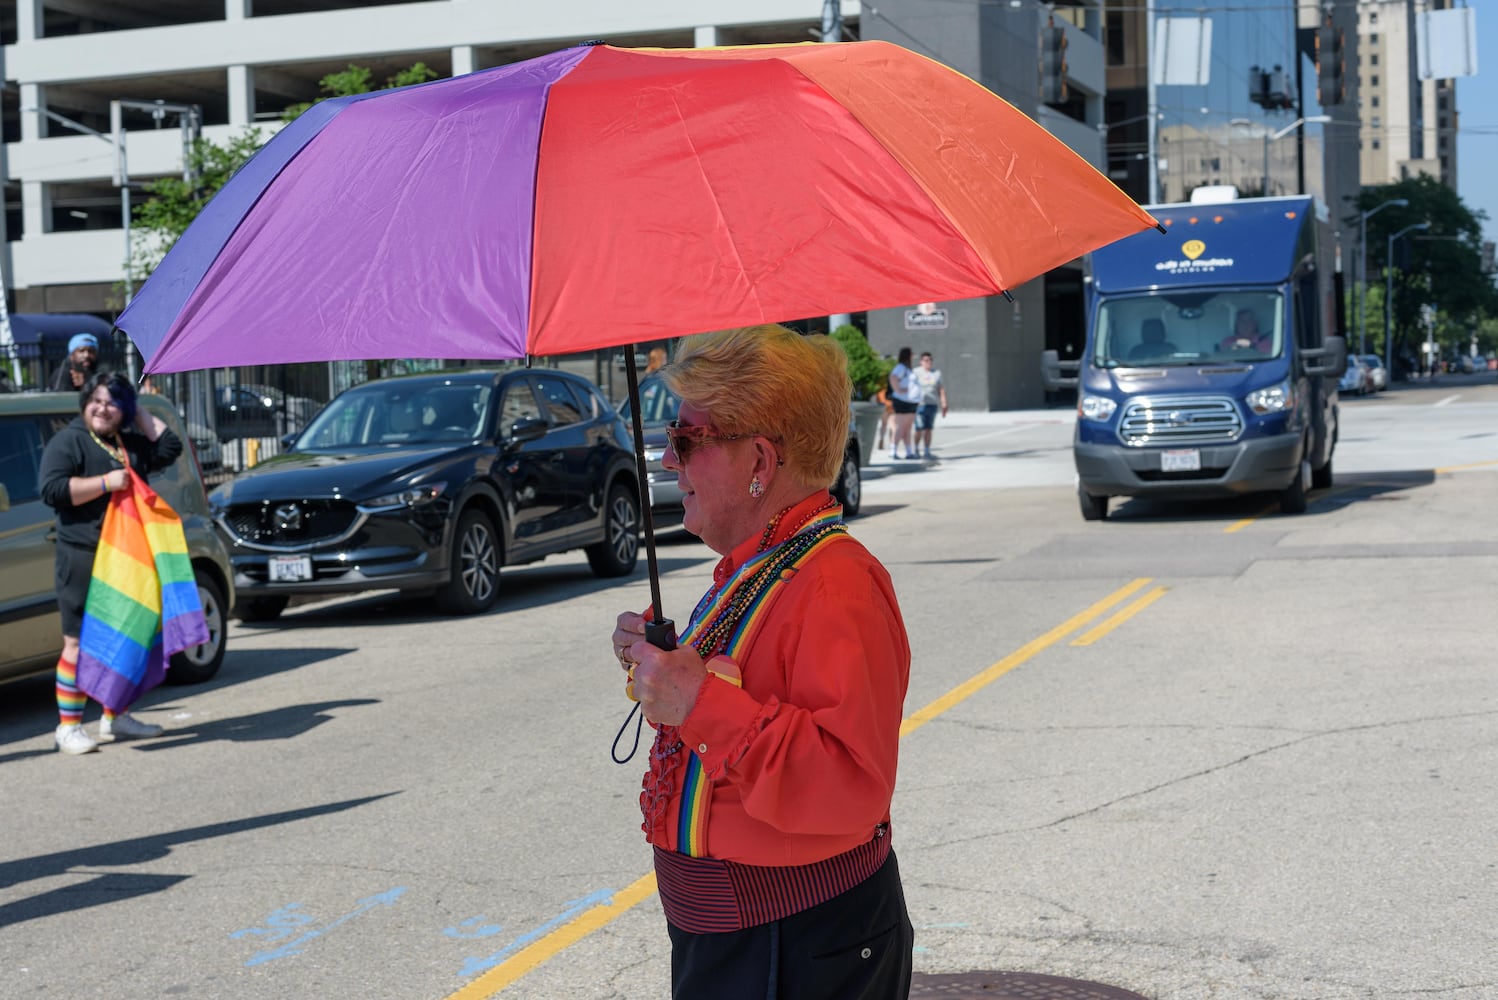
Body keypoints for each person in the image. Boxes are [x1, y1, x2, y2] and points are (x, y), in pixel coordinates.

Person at [610, 325, 913, 999]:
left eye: (686, 440)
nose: (666, 460)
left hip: (797, 945)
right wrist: (666, 670)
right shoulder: (762, 565)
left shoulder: (835, 582)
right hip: (749, 945)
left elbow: (852, 789)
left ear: (760, 462)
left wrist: (697, 702)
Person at [39, 372, 182, 755]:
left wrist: (137, 411)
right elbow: (51, 490)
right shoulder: (68, 441)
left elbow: (169, 446)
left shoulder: (125, 443)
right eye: (97, 400)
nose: (103, 408)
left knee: (123, 638)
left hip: (126, 560)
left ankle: (116, 716)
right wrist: (105, 483)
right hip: (82, 557)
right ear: (84, 402)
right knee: (76, 643)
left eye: (113, 402)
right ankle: (67, 727)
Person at [911, 351, 948, 459]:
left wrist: (944, 402)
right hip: (919, 405)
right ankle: (916, 449)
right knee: (919, 428)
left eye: (930, 360)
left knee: (928, 428)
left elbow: (940, 389)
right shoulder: (916, 372)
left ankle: (927, 450)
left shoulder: (936, 373)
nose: (929, 362)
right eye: (926, 360)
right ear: (921, 361)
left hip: (932, 404)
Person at [886, 346, 919, 460]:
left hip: (911, 401)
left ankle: (909, 452)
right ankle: (893, 450)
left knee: (908, 428)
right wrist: (898, 390)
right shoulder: (901, 367)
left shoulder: (907, 368)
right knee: (901, 427)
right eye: (911, 354)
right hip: (903, 401)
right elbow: (893, 378)